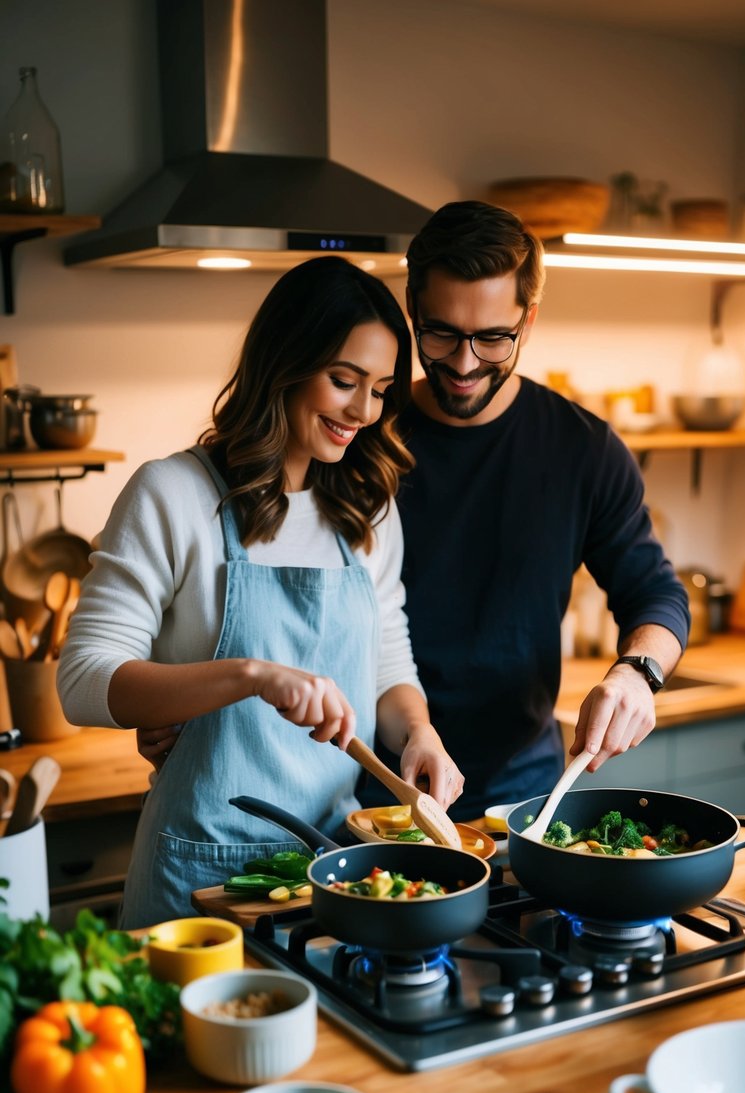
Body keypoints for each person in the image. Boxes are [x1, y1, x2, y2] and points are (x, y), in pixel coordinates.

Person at [57, 256, 464, 928]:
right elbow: (83, 682)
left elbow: (386, 656)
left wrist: (417, 732)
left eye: (382, 389)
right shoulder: (174, 495)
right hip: (200, 872)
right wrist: (251, 677)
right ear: (285, 364)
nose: (364, 410)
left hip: (338, 866)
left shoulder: (368, 508)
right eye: (344, 381)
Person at [362, 199, 690, 818]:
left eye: (491, 338)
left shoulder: (583, 449)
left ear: (529, 321)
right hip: (369, 788)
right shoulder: (361, 436)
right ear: (412, 312)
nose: (463, 364)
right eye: (441, 333)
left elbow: (656, 595)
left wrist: (635, 674)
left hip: (521, 792)